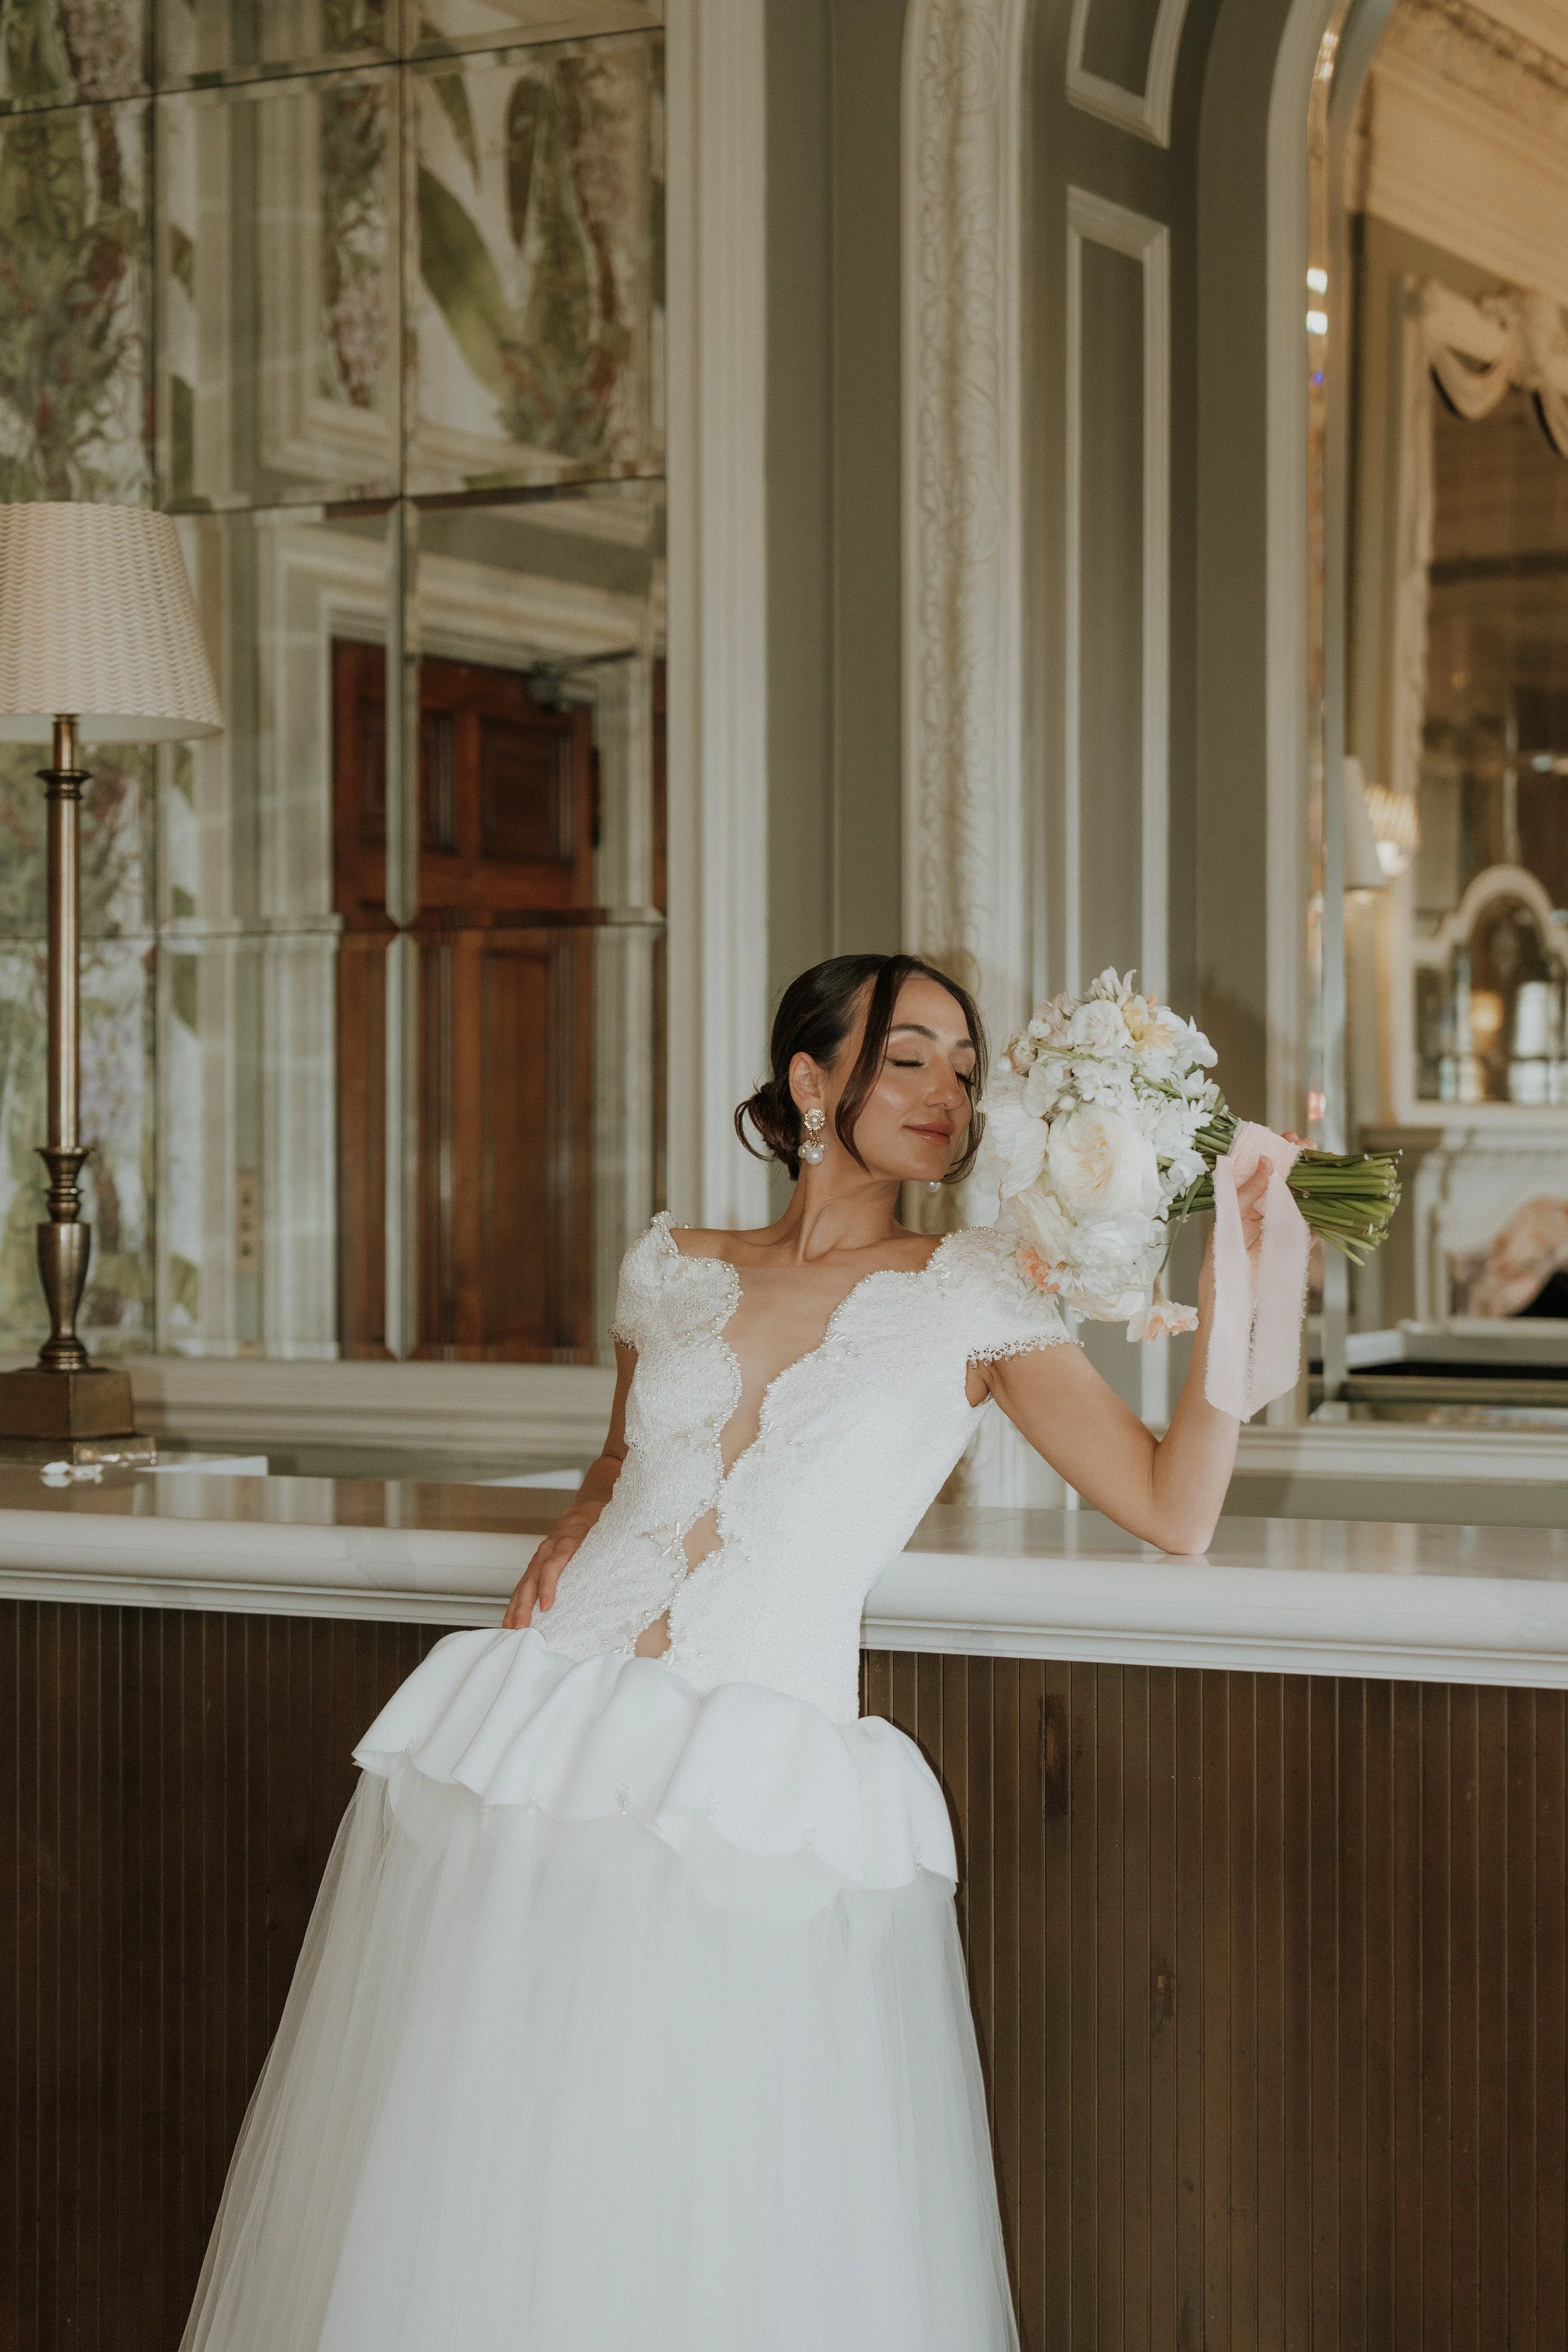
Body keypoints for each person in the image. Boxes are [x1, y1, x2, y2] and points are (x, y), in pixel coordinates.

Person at [181, 953, 1270, 2352]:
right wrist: (580, 1515)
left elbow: (1174, 1512)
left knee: (693, 2194)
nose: (946, 1091)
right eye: (905, 1057)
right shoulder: (670, 1268)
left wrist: (1245, 1280)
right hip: (547, 1743)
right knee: (486, 2180)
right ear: (812, 1083)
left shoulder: (979, 1295)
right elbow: (621, 1454)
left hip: (747, 1787)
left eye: (962, 1064)